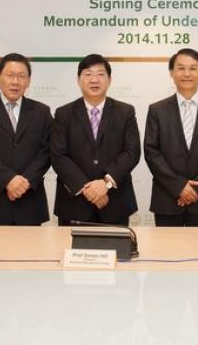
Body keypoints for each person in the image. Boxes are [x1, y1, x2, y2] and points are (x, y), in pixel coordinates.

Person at [144, 48, 198, 227]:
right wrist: (179, 187)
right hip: (167, 199)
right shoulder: (157, 110)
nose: (186, 73)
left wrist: (197, 189)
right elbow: (151, 152)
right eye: (181, 68)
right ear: (171, 72)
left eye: (193, 68)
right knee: (166, 254)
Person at [51, 54, 141, 225]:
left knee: (116, 252)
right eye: (88, 74)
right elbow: (58, 155)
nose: (94, 79)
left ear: (109, 80)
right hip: (74, 204)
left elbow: (131, 152)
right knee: (72, 251)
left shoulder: (125, 112)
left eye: (100, 74)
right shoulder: (63, 113)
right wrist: (88, 189)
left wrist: (105, 184)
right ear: (78, 80)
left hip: (115, 202)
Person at [0, 53, 53, 225]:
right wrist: (8, 180)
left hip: (29, 201)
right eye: (10, 75)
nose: (15, 82)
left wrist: (25, 182)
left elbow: (47, 150)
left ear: (28, 81)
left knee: (30, 251)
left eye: (21, 76)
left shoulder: (41, 112)